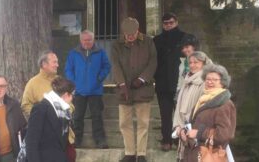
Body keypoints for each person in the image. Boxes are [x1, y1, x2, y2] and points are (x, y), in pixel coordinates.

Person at [112, 17, 157, 162]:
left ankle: (141, 153)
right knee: (124, 123)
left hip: (143, 89)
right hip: (124, 91)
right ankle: (130, 153)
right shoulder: (116, 45)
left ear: (138, 30)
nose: (130, 37)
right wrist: (122, 85)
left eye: (132, 34)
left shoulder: (148, 41)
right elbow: (115, 65)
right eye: (127, 34)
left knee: (143, 123)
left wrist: (143, 79)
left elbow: (153, 62)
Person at [65, 29, 111, 148]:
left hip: (95, 90)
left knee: (97, 116)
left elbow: (107, 66)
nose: (87, 42)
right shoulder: (73, 53)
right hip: (79, 91)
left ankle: (100, 140)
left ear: (93, 39)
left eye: (89, 40)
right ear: (80, 40)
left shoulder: (100, 52)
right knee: (77, 116)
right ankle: (76, 140)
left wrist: (99, 78)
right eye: (85, 40)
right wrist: (74, 83)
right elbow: (68, 69)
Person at [181, 64, 236, 162]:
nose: (210, 82)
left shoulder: (224, 103)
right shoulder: (204, 99)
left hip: (209, 155)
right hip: (195, 153)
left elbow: (224, 134)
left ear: (223, 82)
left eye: (214, 80)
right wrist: (185, 132)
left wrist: (199, 133)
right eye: (207, 79)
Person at [153, 12, 186, 151]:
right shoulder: (156, 40)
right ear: (163, 24)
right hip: (162, 82)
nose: (168, 25)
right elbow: (153, 60)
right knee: (165, 114)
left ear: (176, 22)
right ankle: (167, 139)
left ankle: (181, 139)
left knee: (181, 113)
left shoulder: (185, 37)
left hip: (180, 82)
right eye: (166, 23)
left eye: (171, 22)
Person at [172, 51, 212, 161]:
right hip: (183, 128)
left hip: (195, 129)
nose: (192, 65)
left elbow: (202, 108)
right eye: (190, 63)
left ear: (204, 64)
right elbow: (179, 106)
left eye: (196, 62)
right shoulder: (187, 80)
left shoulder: (205, 82)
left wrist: (189, 129)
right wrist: (178, 127)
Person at [25, 76, 75, 162]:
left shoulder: (64, 111)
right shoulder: (40, 109)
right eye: (72, 95)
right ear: (66, 95)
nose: (73, 98)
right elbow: (31, 142)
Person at [21, 51, 59, 118]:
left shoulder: (60, 81)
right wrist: (40, 116)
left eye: (57, 62)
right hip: (45, 127)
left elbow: (69, 102)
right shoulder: (32, 83)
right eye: (54, 62)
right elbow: (25, 105)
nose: (57, 65)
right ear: (44, 64)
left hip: (62, 125)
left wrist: (68, 110)